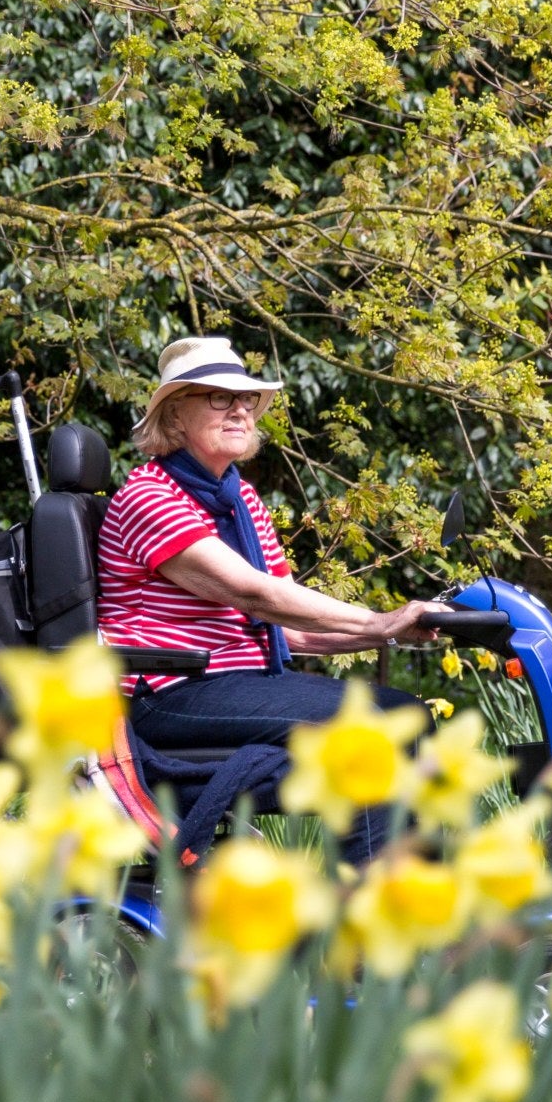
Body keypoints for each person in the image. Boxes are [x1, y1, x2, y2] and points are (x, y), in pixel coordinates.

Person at [97, 336, 441, 853]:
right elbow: (254, 595)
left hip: (231, 682)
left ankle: (408, 902)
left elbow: (286, 625)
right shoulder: (150, 495)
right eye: (218, 396)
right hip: (168, 694)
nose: (239, 407)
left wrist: (398, 633)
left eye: (247, 399)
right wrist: (376, 622)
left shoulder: (240, 499)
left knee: (406, 715)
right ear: (173, 416)